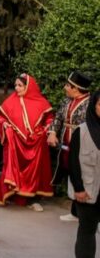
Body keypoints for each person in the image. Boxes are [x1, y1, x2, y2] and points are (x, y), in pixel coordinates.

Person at [0, 73, 55, 209]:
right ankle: (13, 195)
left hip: (36, 144)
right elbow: (1, 117)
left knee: (35, 172)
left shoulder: (41, 102)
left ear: (29, 86)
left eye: (20, 85)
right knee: (14, 169)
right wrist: (5, 124)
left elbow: (50, 119)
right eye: (15, 85)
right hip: (16, 143)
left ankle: (32, 199)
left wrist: (44, 130)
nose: (16, 88)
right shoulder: (10, 101)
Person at [50, 71, 93, 221]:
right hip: (66, 144)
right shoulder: (66, 101)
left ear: (76, 88)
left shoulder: (91, 104)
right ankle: (75, 213)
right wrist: (52, 133)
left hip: (83, 146)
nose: (65, 87)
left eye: (68, 85)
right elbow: (58, 118)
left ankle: (86, 214)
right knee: (70, 173)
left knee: (83, 176)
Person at [69, 89, 100, 258]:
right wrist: (78, 189)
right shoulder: (82, 131)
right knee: (87, 228)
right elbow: (73, 163)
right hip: (88, 190)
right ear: (94, 106)